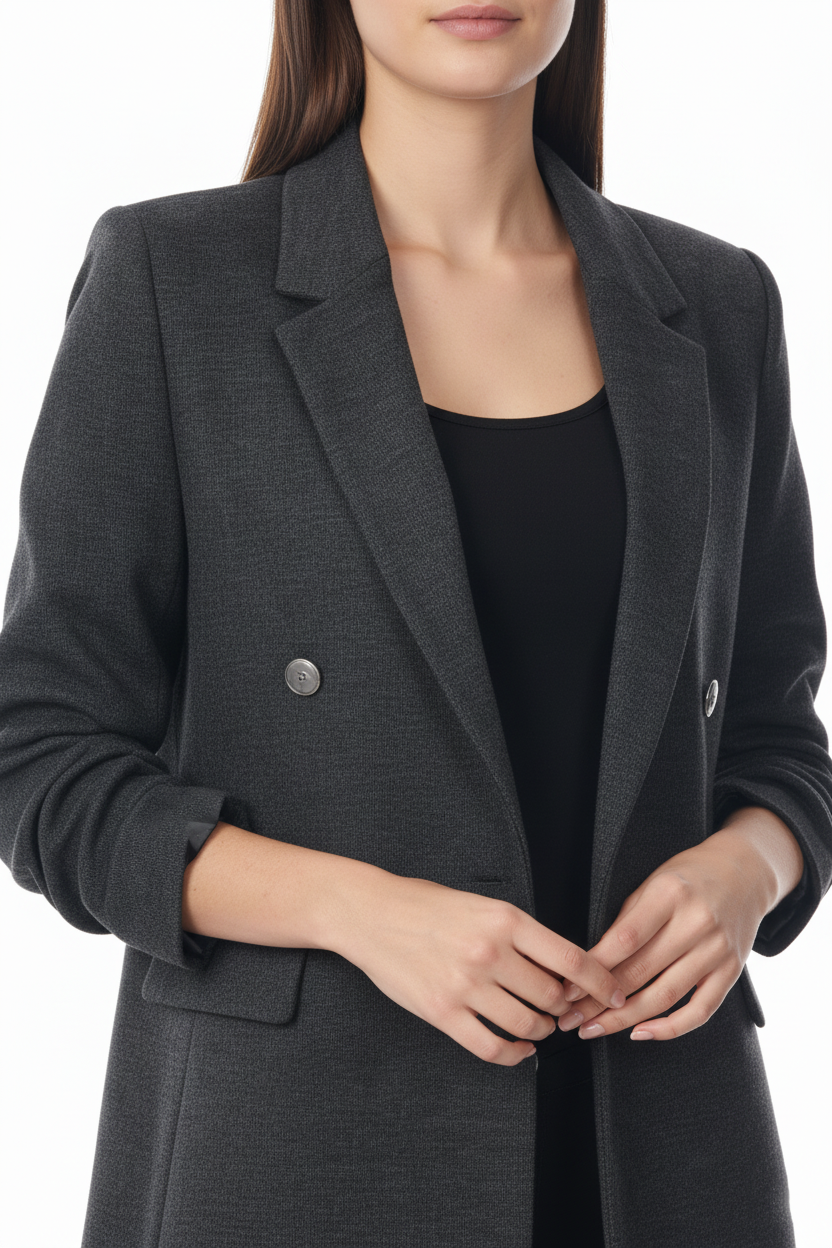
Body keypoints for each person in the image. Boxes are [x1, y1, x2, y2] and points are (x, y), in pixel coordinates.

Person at [1, 1, 830, 1244]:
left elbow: (777, 731)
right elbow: (36, 751)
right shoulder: (174, 281)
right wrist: (357, 911)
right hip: (295, 1161)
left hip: (664, 1161)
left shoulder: (717, 305)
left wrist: (747, 869)